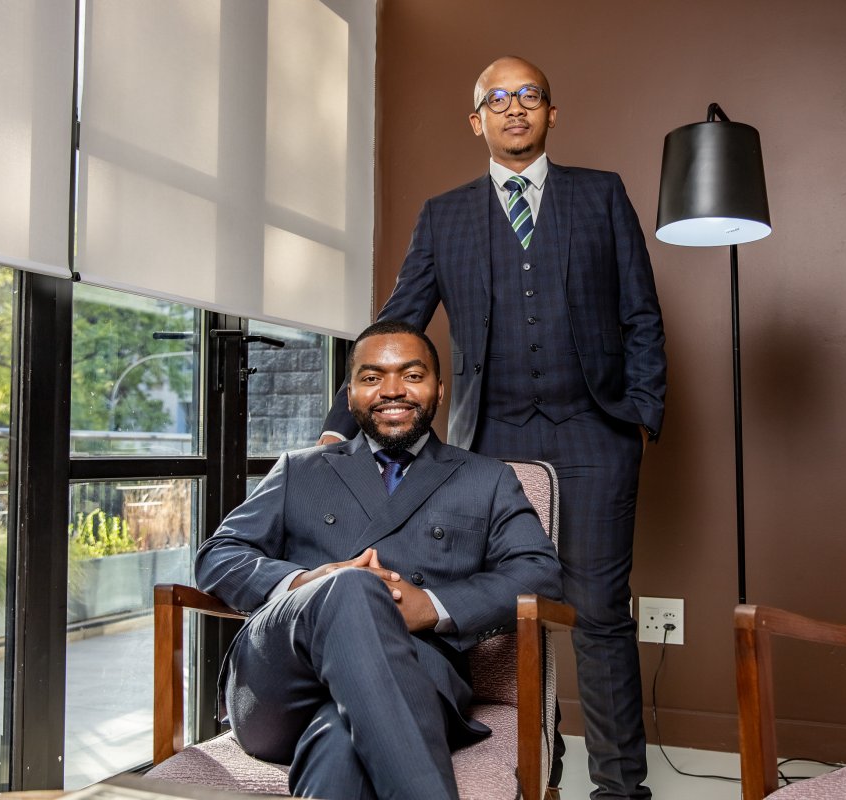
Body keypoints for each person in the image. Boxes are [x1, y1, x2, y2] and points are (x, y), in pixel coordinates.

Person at [319, 57, 666, 799]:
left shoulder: (601, 195)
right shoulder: (444, 216)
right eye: (497, 99)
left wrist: (640, 414)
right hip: (490, 441)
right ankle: (530, 772)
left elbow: (641, 313)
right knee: (500, 616)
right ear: (476, 120)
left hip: (594, 434)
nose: (514, 108)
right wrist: (336, 423)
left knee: (600, 612)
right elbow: (399, 320)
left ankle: (621, 789)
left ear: (550, 112)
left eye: (529, 95)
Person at [197, 320, 563, 800]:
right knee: (350, 586)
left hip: (416, 672)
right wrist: (309, 582)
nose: (392, 390)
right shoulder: (299, 469)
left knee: (341, 744)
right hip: (280, 686)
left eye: (412, 375)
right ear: (350, 395)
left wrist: (431, 606)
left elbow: (540, 572)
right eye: (372, 378)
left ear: (439, 389)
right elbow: (218, 556)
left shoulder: (486, 479)